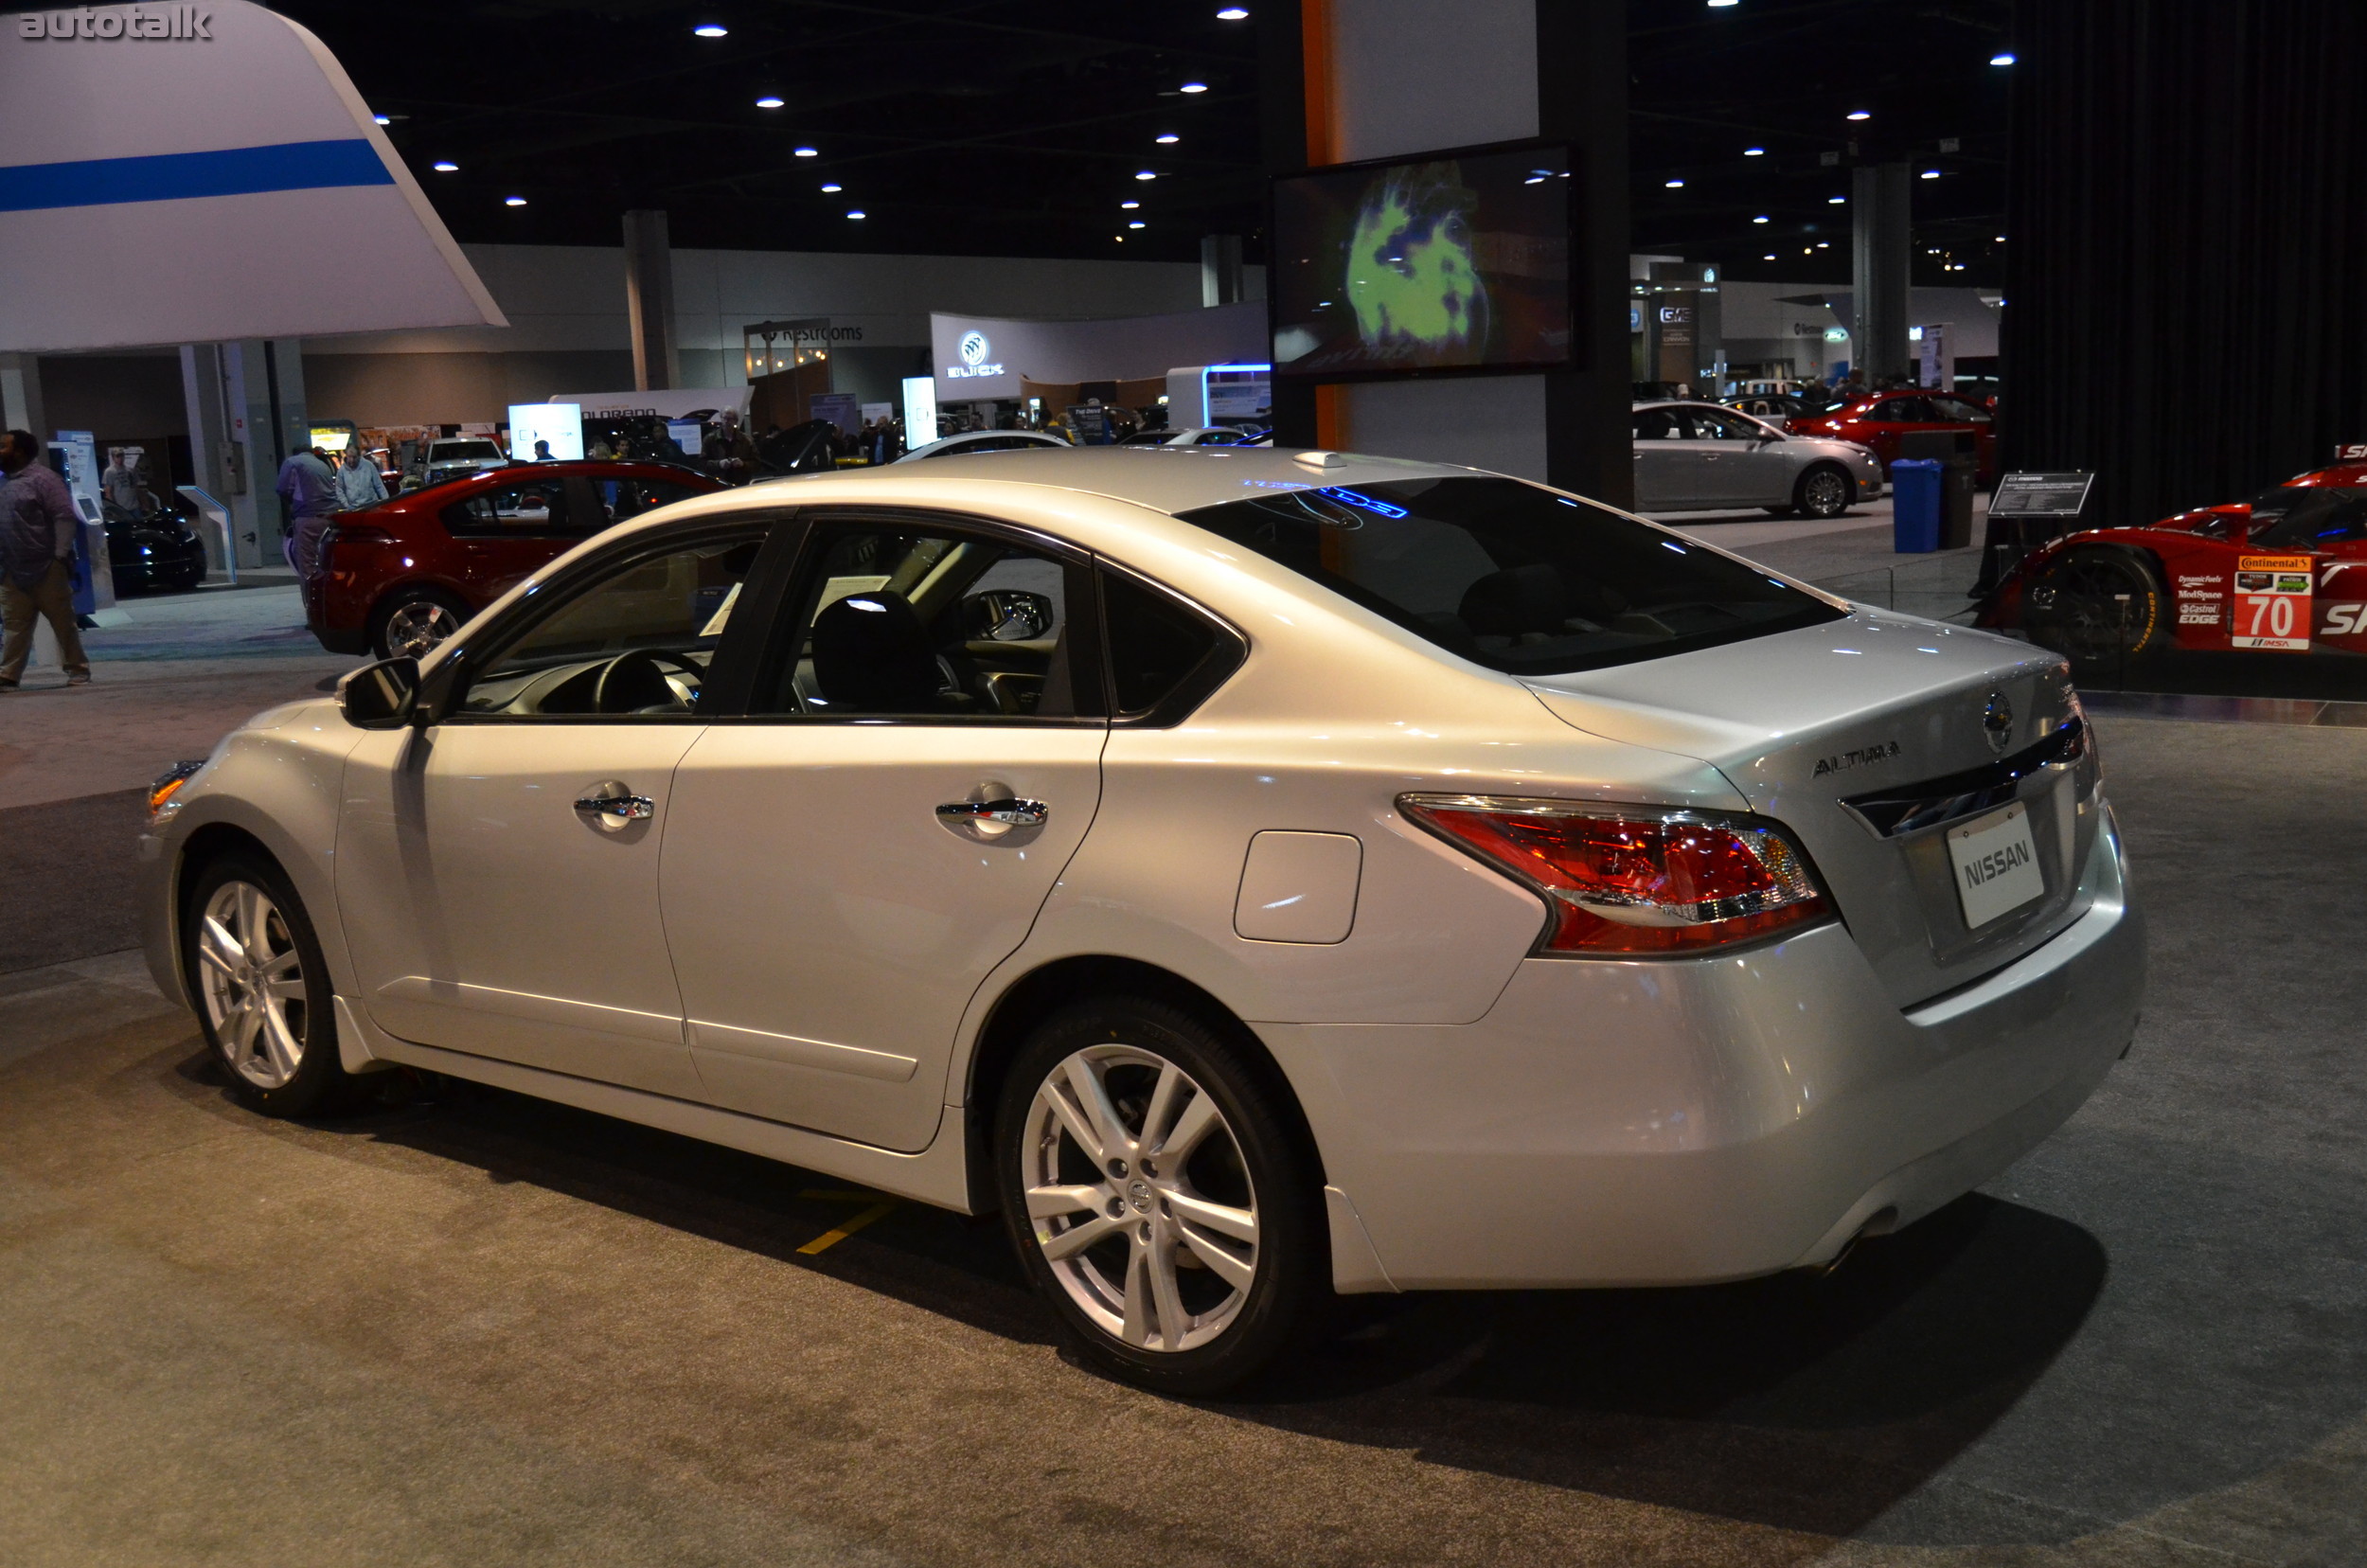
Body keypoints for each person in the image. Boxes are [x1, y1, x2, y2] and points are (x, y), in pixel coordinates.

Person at [0, 429, 92, 690]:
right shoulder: (3, 482)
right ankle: (8, 674)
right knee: (15, 625)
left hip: (47, 566)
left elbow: (64, 516)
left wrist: (59, 556)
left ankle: (77, 669)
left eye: (3, 446)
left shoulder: (45, 480)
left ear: (19, 452)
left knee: (63, 623)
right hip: (11, 568)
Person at [275, 444, 341, 593]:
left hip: (308, 516)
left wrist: (291, 503)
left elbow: (282, 489)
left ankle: (311, 597)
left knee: (307, 564)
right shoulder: (322, 464)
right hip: (331, 517)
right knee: (327, 561)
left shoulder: (292, 462)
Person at [334, 443, 387, 511]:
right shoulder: (341, 471)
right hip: (353, 508)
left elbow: (379, 486)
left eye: (354, 457)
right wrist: (347, 505)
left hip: (372, 505)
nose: (352, 460)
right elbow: (339, 490)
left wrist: (386, 502)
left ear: (359, 456)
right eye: (349, 457)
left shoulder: (369, 466)